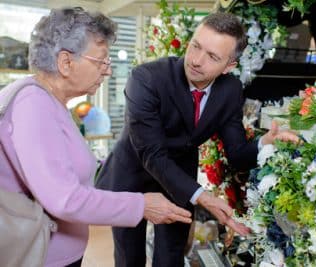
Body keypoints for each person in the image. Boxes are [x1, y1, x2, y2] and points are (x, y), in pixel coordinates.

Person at [96, 11, 299, 267]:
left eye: (213, 56)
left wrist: (264, 144)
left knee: (171, 256)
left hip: (180, 176)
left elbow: (236, 153)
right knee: (129, 258)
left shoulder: (231, 90)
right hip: (133, 174)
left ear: (229, 66)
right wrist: (204, 197)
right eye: (195, 46)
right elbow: (153, 155)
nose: (196, 60)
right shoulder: (146, 78)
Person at [0, 7, 192, 267]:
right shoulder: (34, 104)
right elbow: (65, 199)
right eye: (101, 61)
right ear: (66, 62)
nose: (108, 71)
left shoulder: (50, 101)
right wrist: (142, 205)